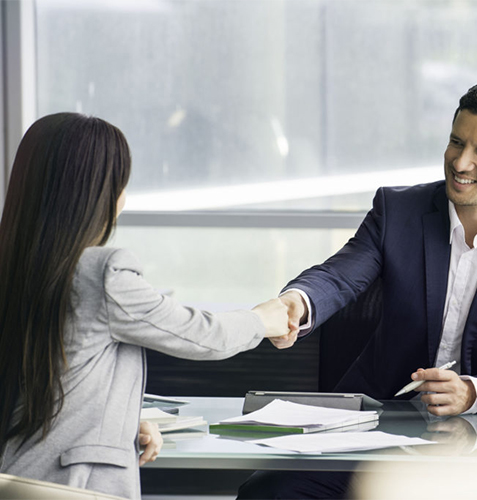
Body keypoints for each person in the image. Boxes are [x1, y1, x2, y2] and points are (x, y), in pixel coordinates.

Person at [237, 79, 477, 499]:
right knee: (270, 492)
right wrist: (296, 302)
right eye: (456, 142)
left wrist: (473, 391)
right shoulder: (397, 210)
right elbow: (339, 275)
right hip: (373, 431)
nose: (460, 162)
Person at [0, 112, 290, 500]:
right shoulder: (101, 275)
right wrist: (262, 319)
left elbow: (45, 381)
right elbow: (205, 336)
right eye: (120, 183)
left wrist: (119, 425)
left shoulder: (15, 268)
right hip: (73, 488)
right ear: (98, 193)